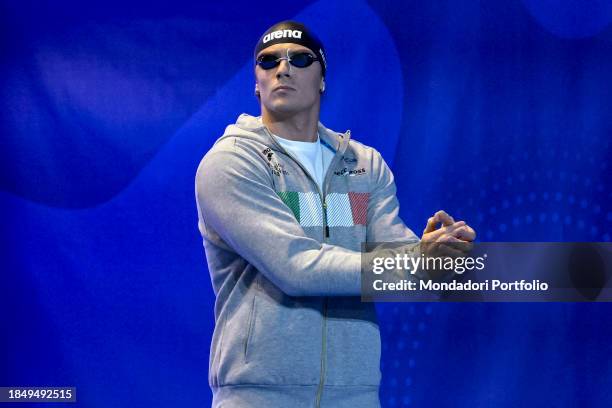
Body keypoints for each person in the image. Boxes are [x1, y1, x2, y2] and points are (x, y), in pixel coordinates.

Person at [195, 20, 475, 408]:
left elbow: (396, 268)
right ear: (255, 83)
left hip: (355, 397)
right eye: (268, 60)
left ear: (323, 78)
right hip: (260, 396)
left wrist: (436, 257)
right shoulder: (231, 162)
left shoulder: (364, 165)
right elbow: (297, 267)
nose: (283, 68)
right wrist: (412, 262)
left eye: (300, 59)